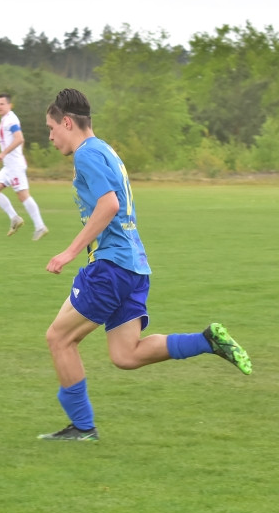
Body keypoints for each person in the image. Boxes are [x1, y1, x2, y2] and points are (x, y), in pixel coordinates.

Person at [38, 88, 252, 441]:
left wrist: (70, 251)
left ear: (66, 122)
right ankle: (207, 341)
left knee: (58, 339)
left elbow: (107, 206)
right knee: (126, 354)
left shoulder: (86, 155)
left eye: (50, 127)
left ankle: (82, 427)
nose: (49, 136)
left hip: (110, 267)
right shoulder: (107, 150)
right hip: (134, 268)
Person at [0, 92, 49, 241]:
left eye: (2, 104)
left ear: (10, 105)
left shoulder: (11, 120)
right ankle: (14, 218)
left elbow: (19, 138)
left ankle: (40, 226)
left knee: (23, 196)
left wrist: (3, 153)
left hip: (14, 166)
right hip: (8, 166)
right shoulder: (5, 120)